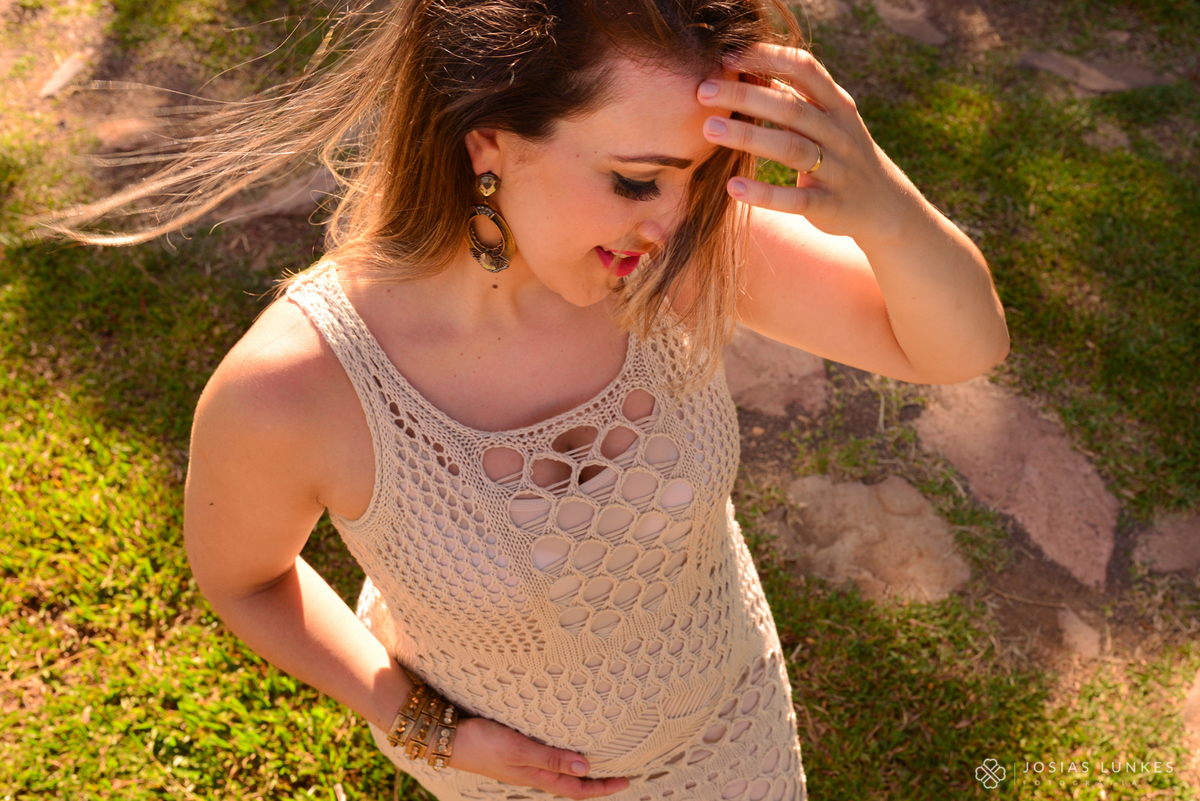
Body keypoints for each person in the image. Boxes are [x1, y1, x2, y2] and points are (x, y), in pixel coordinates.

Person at [60, 0, 1009, 797]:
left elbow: (960, 347)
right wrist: (419, 720)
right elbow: (244, 580)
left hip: (737, 740)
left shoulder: (672, 257)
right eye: (637, 178)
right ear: (491, 145)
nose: (675, 222)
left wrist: (881, 200)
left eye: (701, 178)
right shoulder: (297, 389)